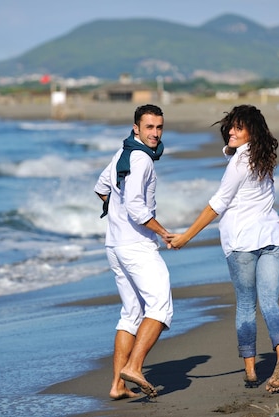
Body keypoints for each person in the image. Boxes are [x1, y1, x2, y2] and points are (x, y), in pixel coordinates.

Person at [169, 104, 279, 393]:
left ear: (252, 131)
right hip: (274, 239)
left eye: (238, 127)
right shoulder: (265, 158)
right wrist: (231, 148)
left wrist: (186, 236)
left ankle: (250, 370)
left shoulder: (238, 163)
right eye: (230, 127)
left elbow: (217, 204)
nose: (232, 132)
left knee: (247, 305)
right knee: (270, 302)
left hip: (242, 243)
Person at [94, 104, 173, 400]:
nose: (155, 133)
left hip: (114, 244)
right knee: (161, 306)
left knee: (131, 312)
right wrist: (162, 231)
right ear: (136, 128)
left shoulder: (123, 153)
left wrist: (115, 212)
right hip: (136, 246)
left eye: (159, 127)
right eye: (149, 127)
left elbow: (101, 187)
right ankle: (135, 367)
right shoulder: (141, 159)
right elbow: (136, 207)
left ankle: (117, 385)